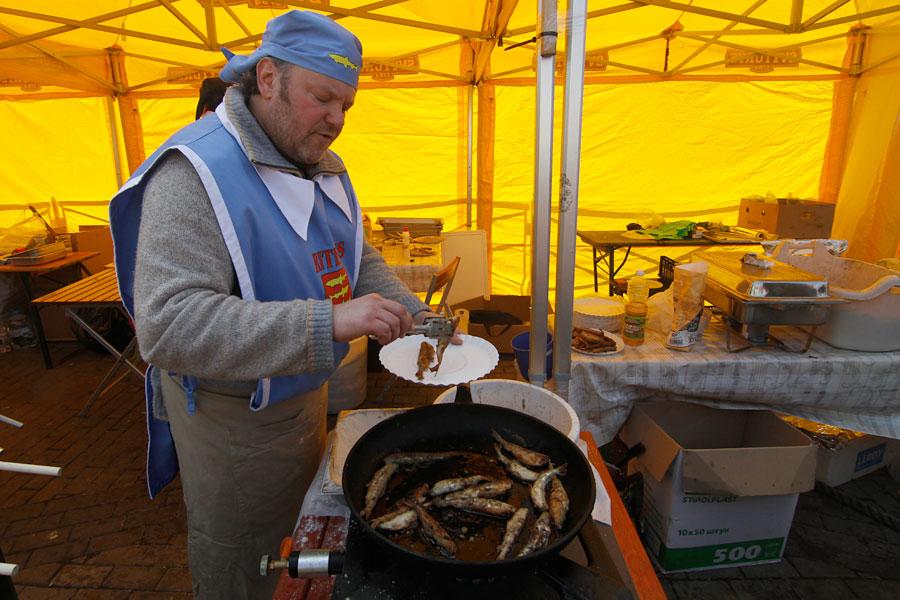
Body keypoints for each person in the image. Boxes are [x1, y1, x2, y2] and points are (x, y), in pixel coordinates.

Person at [109, 10, 453, 598]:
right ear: (267, 78)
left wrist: (414, 313)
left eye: (347, 105)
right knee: (246, 562)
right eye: (323, 98)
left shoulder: (320, 165)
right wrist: (331, 319)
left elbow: (355, 258)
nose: (337, 120)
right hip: (232, 419)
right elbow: (168, 326)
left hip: (302, 396)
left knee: (303, 549)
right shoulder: (194, 172)